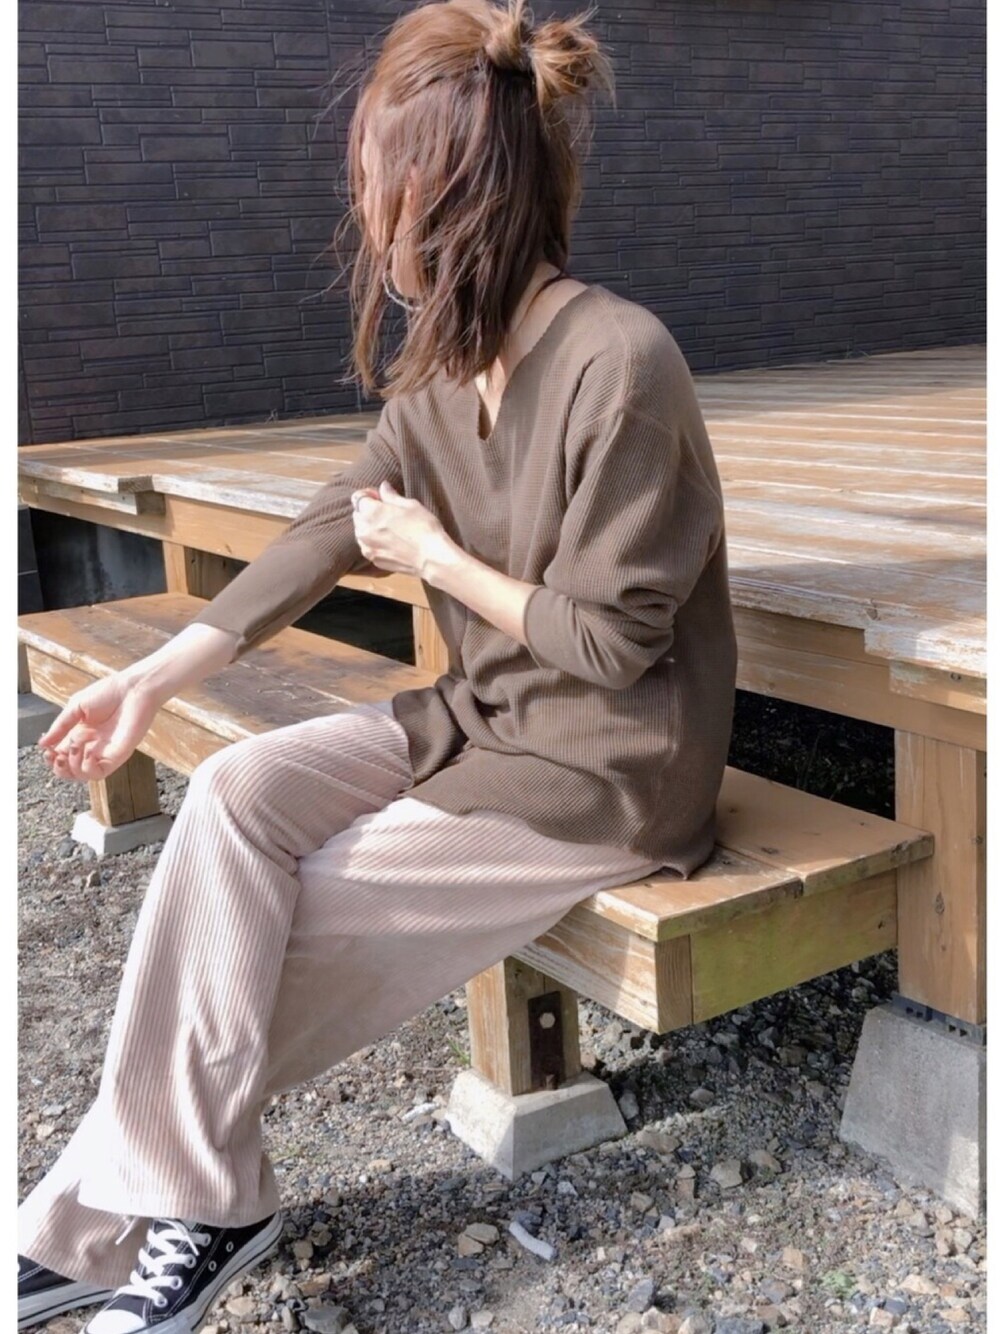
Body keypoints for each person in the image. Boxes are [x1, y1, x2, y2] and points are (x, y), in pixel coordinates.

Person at [17, 0, 738, 1330]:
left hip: (607, 771)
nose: (364, 216)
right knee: (233, 795)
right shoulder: (446, 372)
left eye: (377, 186)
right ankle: (175, 1201)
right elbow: (329, 528)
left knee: (281, 926)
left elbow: (615, 646)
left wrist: (440, 559)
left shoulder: (623, 364)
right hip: (483, 717)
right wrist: (160, 675)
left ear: (454, 199)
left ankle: (113, 1220)